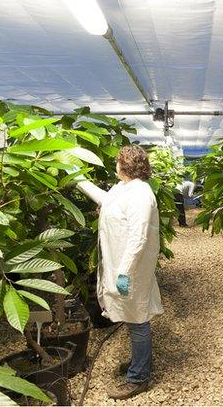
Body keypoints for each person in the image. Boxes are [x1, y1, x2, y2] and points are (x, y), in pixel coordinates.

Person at [73, 145, 163, 400]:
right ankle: (140, 363)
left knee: (137, 319)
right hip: (121, 264)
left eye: (117, 161)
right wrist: (78, 180)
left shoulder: (141, 195)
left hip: (131, 267)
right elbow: (106, 200)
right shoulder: (124, 188)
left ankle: (139, 378)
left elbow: (138, 236)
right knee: (133, 317)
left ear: (123, 165)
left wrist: (124, 272)